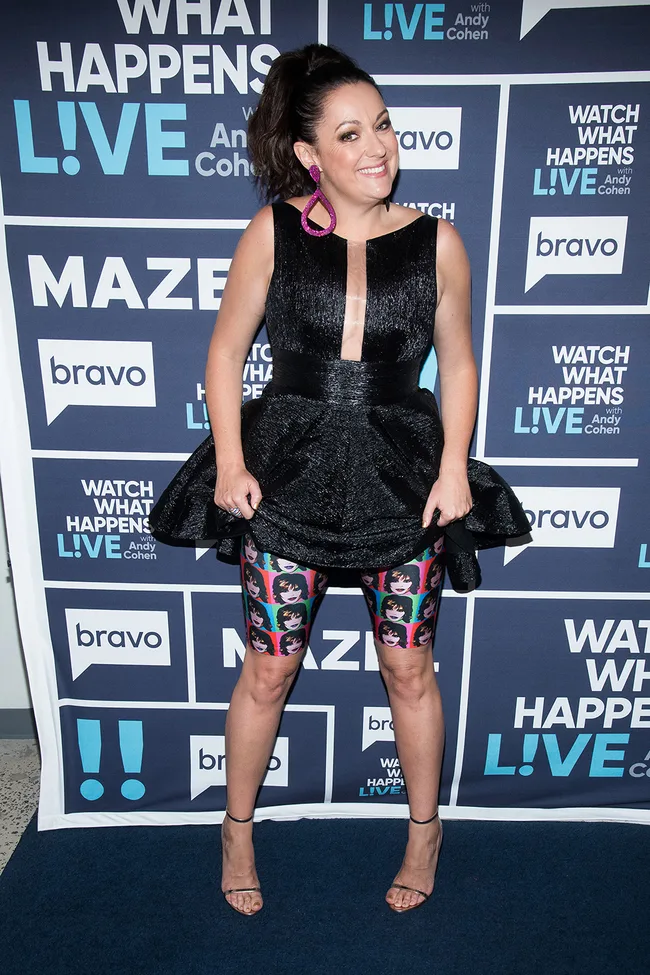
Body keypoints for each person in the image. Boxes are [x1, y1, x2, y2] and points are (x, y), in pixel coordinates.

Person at [149, 43, 529, 917]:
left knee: (409, 668)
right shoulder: (272, 232)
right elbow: (225, 352)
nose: (377, 147)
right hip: (289, 472)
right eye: (350, 133)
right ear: (309, 153)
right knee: (268, 670)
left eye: (383, 125)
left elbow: (459, 363)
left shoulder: (439, 243)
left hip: (402, 475)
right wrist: (232, 459)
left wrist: (453, 466)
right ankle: (236, 830)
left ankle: (425, 833)